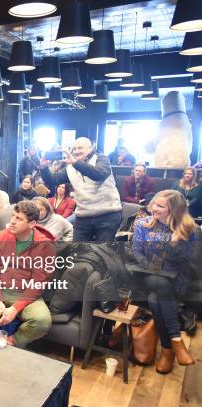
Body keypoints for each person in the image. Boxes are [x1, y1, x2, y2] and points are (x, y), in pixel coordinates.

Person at [0, 201, 54, 348]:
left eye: (19, 218)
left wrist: (15, 309)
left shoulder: (45, 245)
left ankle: (13, 340)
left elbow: (39, 282)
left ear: (32, 224)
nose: (12, 221)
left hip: (26, 292)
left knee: (42, 321)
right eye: (13, 216)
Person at [132, 190, 197, 374]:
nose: (154, 208)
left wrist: (175, 243)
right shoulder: (143, 224)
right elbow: (137, 252)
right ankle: (176, 341)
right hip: (147, 274)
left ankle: (167, 350)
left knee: (155, 298)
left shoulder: (187, 229)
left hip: (175, 278)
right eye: (154, 203)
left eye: (160, 206)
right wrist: (151, 266)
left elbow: (185, 261)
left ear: (174, 210)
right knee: (157, 282)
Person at [40, 137, 122, 241]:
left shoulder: (101, 158)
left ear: (90, 148)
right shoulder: (70, 167)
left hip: (107, 214)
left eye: (80, 148)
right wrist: (43, 168)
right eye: (74, 149)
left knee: (102, 253)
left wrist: (75, 163)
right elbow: (52, 180)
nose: (76, 151)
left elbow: (98, 174)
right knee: (78, 251)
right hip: (83, 216)